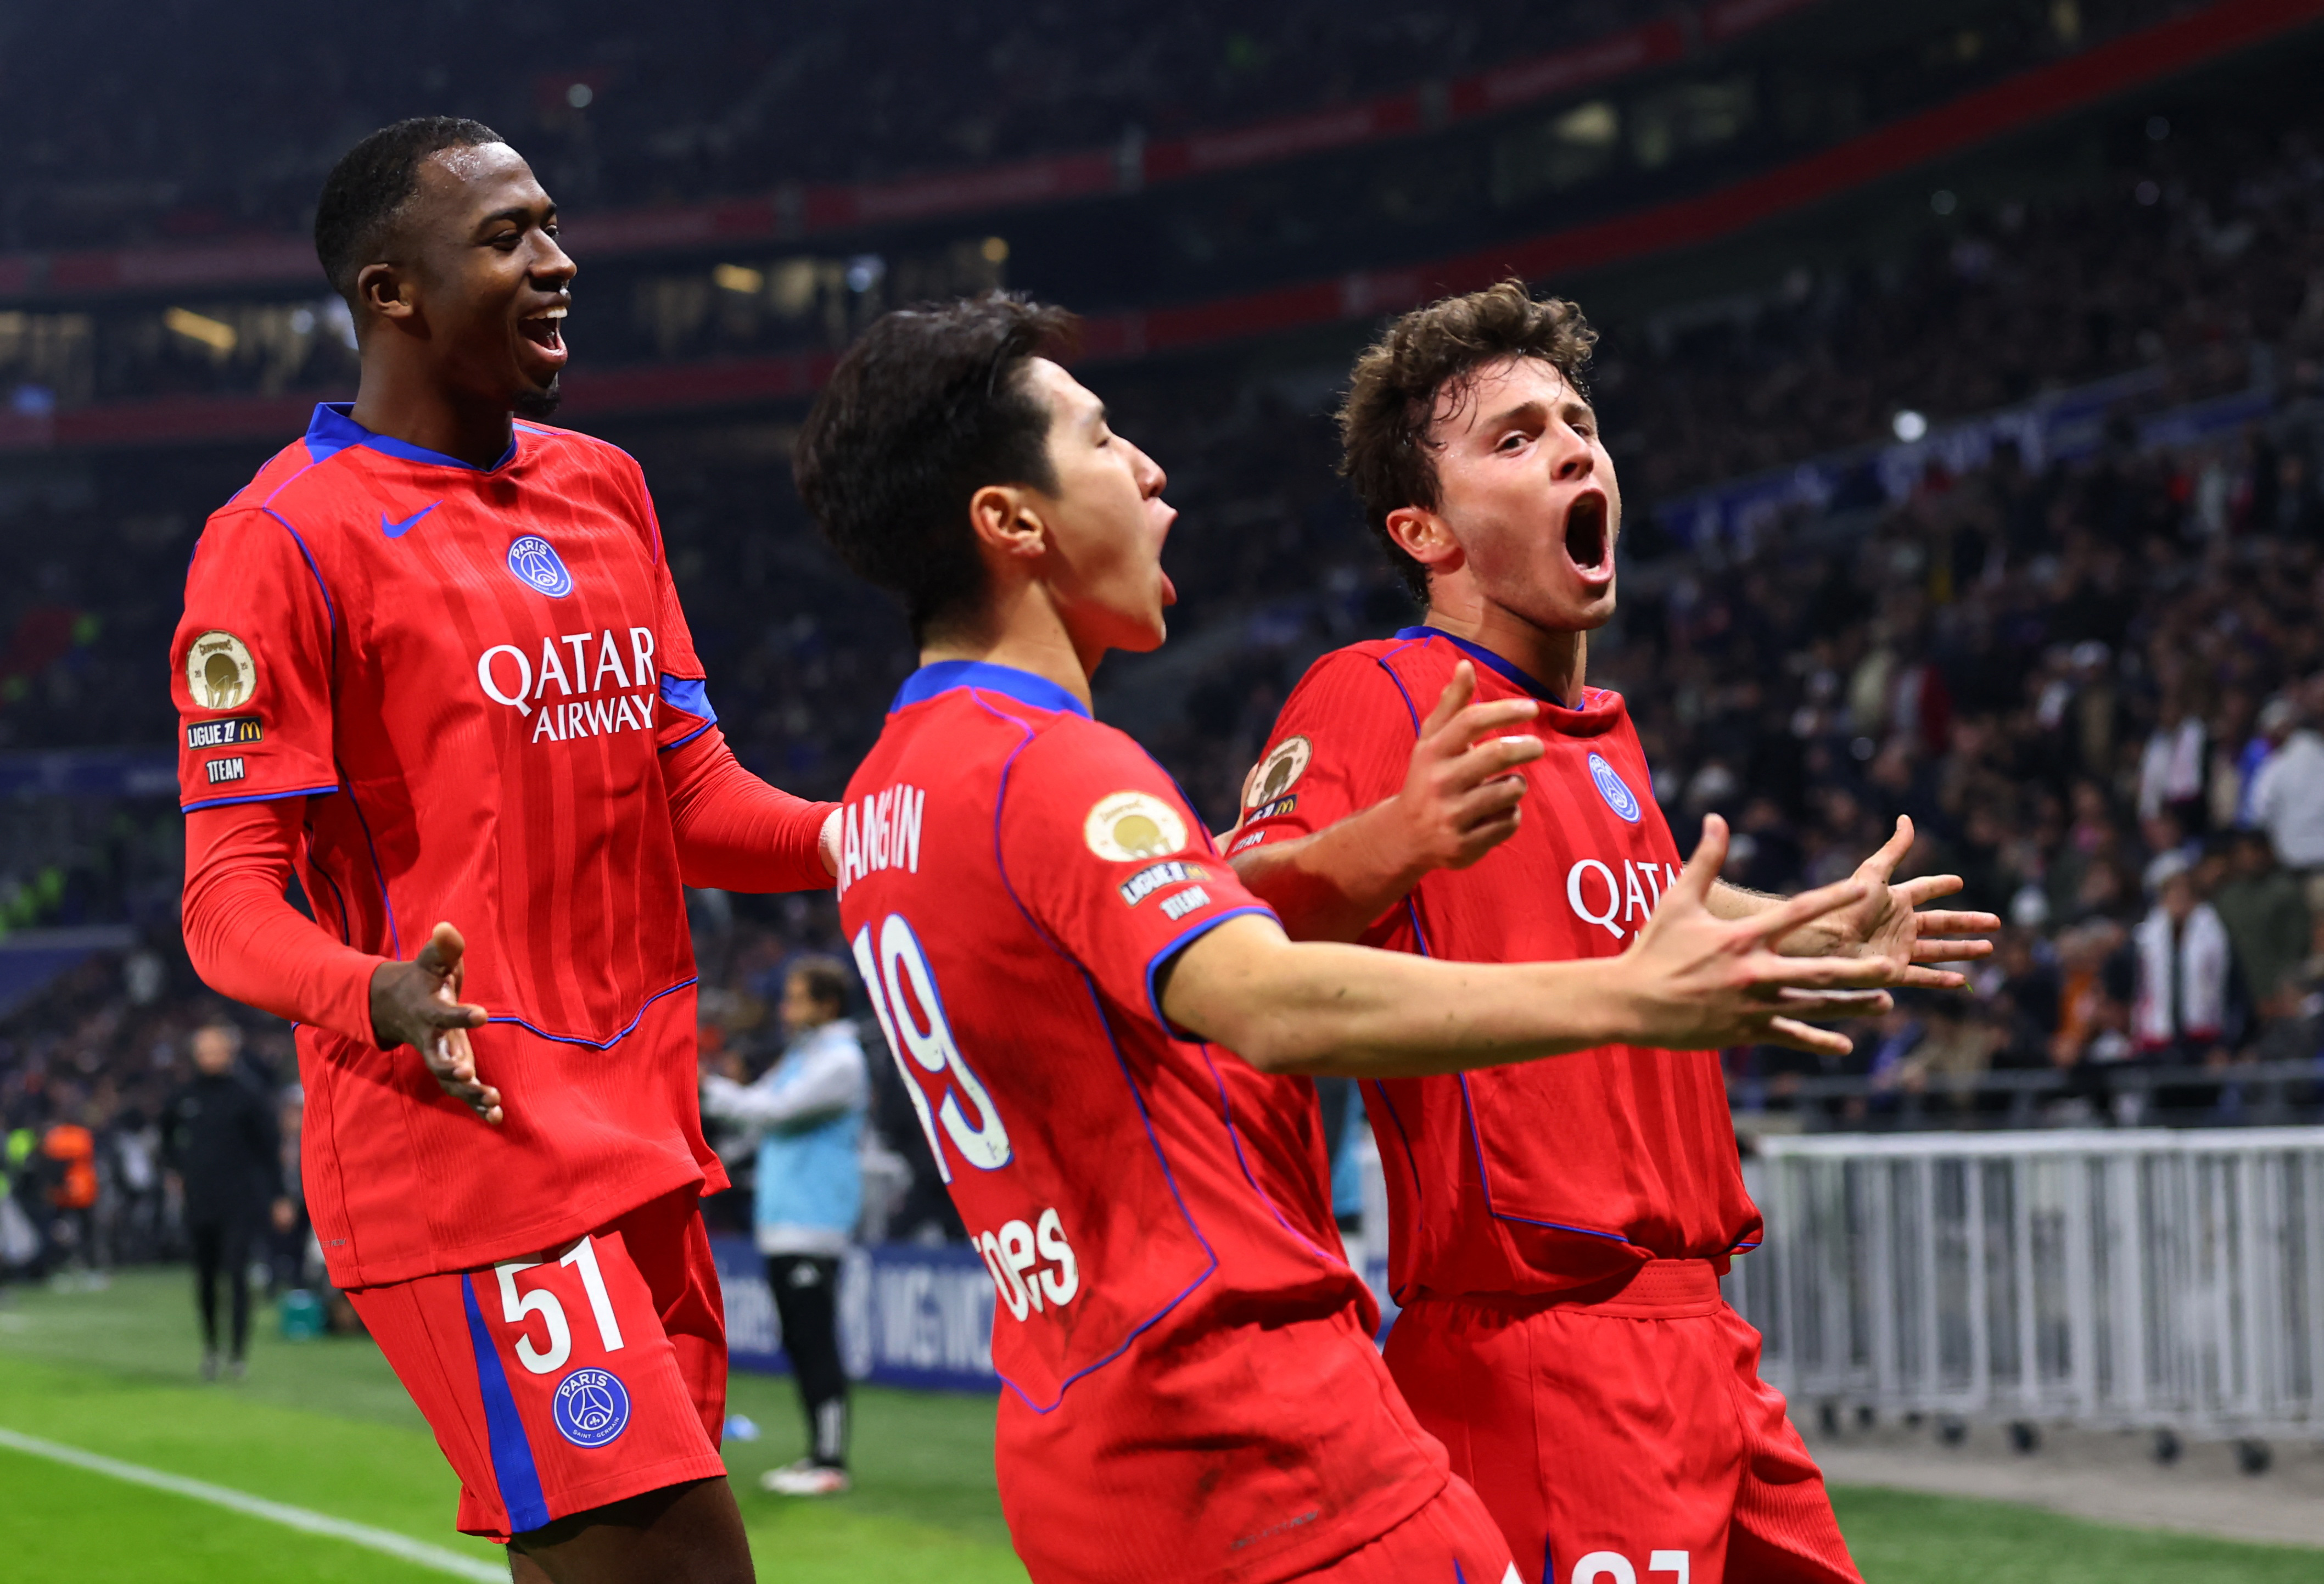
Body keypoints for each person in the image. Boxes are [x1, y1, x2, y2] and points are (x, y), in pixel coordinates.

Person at [792, 294, 1896, 1584]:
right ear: (1011, 519)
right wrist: (1616, 990)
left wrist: (1794, 932)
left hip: (1112, 1397)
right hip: (1290, 1396)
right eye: (1102, 442)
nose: (1151, 470)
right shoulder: (1129, 748)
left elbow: (1588, 905)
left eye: (1579, 423)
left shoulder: (891, 793)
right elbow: (1250, 959)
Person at [1225, 282, 1996, 1584]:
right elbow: (1231, 928)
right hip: (1539, 1354)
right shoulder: (1377, 691)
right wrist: (1388, 841)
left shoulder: (1602, 740)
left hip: (1705, 1349)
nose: (1573, 446)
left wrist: (1808, 928)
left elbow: (1621, 916)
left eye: (1577, 421)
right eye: (1514, 438)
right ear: (1424, 530)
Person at [171, 117, 839, 1582]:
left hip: (648, 1136)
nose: (559, 260)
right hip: (462, 1148)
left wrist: (875, 840)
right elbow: (225, 903)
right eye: (507, 237)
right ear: (388, 290)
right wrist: (380, 991)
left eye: (549, 224)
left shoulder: (605, 487)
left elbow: (696, 797)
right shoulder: (278, 540)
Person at [699, 955, 869, 1497]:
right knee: (798, 1339)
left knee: (815, 1340)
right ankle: (816, 1453)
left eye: (797, 996)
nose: (785, 1005)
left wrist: (704, 1089)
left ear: (827, 1004)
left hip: (815, 1222)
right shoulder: (806, 1053)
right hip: (784, 1220)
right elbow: (758, 1113)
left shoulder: (841, 1061)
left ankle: (830, 1459)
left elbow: (771, 1109)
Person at [161, 1021, 293, 1379]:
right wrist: (174, 1169)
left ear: (229, 1053)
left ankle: (238, 1354)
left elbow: (269, 1151)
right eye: (203, 1051)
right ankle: (211, 1349)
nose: (209, 1057)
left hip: (239, 1201)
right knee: (204, 1278)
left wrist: (279, 1197)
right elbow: (166, 1137)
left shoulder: (247, 1096)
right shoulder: (185, 1096)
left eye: (215, 1050)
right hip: (200, 1201)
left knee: (236, 1276)